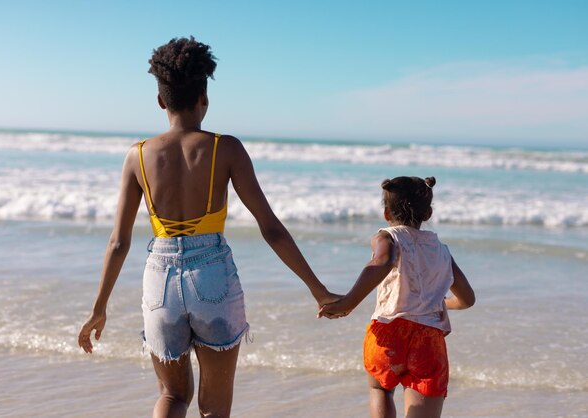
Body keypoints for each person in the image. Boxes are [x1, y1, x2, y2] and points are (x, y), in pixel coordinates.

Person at [77, 37, 338, 418]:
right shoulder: (226, 148)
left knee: (172, 395)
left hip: (159, 283)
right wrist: (318, 289)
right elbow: (272, 229)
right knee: (214, 408)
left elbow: (119, 242)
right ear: (205, 97)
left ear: (161, 101)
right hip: (212, 276)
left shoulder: (137, 156)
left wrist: (99, 308)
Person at [319, 176, 475, 418]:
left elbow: (383, 261)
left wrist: (348, 303)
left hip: (388, 332)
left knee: (380, 390)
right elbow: (467, 299)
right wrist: (443, 303)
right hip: (428, 340)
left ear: (385, 213)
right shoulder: (442, 251)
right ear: (429, 213)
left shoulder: (387, 236)